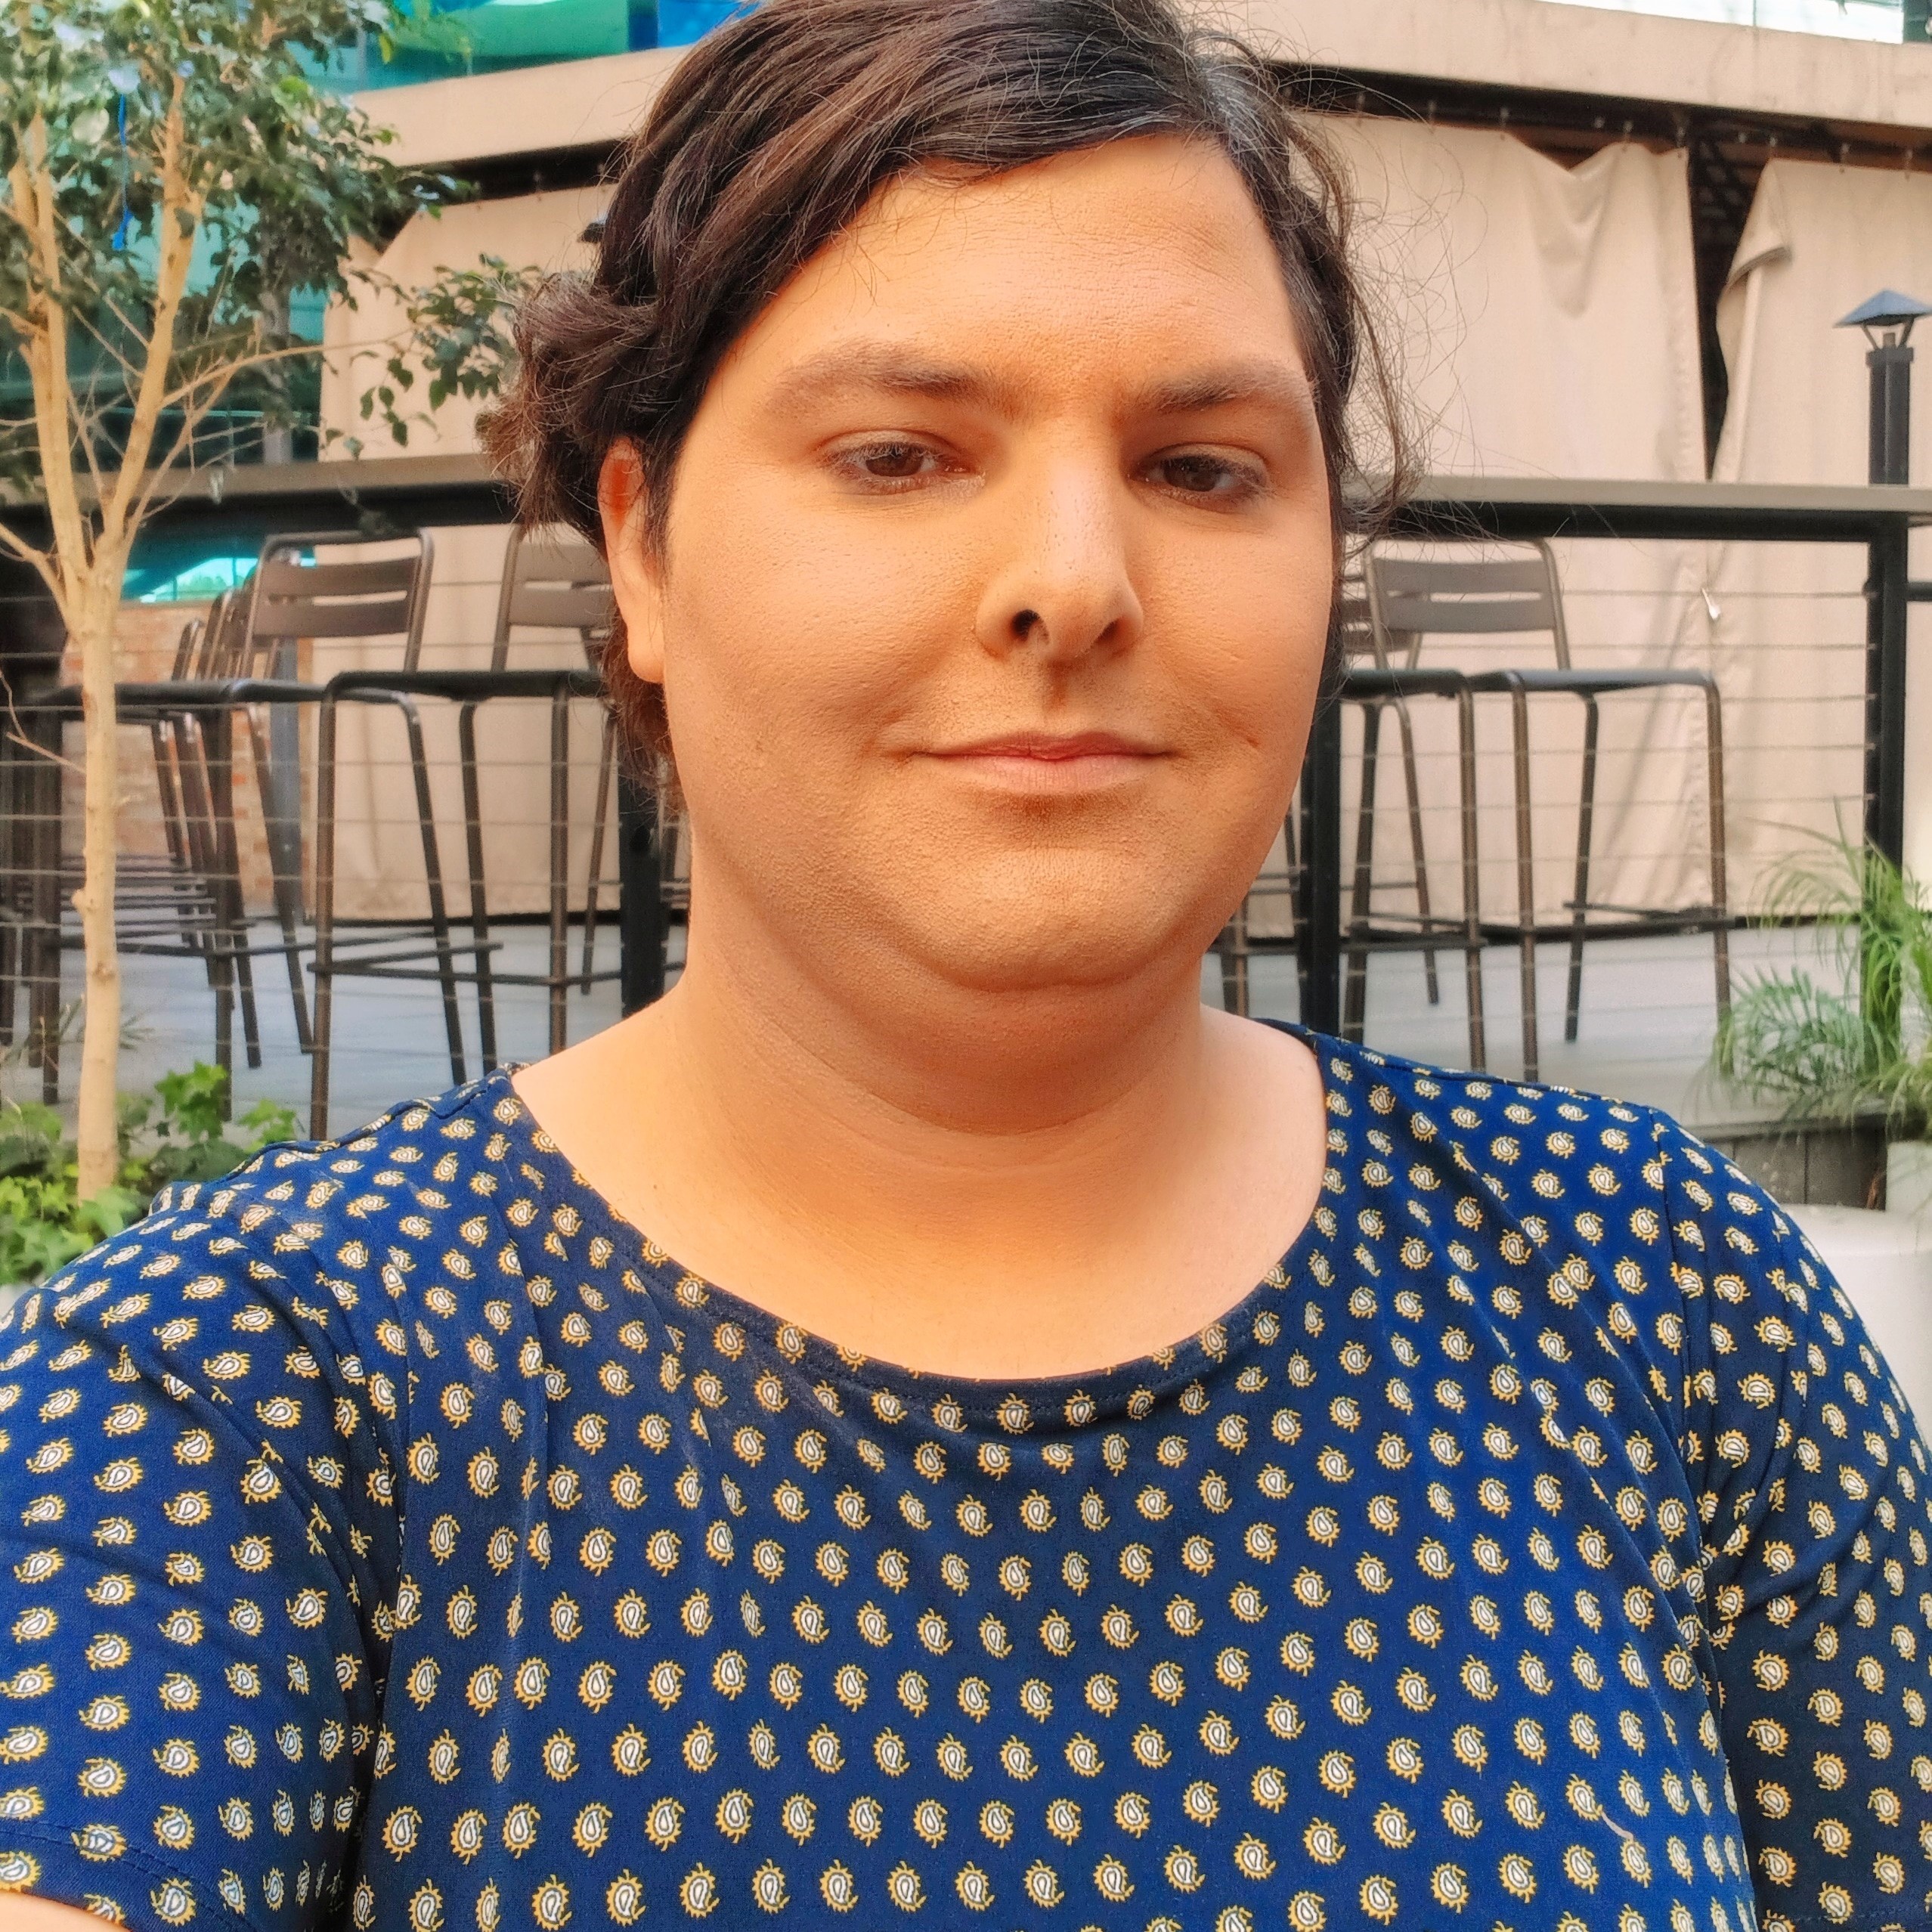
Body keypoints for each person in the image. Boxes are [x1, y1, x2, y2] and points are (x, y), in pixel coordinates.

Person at [2, 3, 1927, 1928]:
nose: (1073, 581)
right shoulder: (231, 1406)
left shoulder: (1661, 1295)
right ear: (643, 548)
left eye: (1202, 468)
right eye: (900, 454)